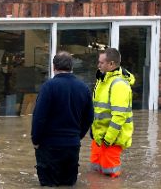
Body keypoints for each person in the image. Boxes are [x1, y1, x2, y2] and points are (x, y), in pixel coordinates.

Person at [31, 51, 94, 187]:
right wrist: (78, 135)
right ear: (71, 67)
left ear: (54, 67)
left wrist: (35, 139)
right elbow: (89, 117)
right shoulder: (84, 88)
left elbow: (39, 117)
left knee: (49, 184)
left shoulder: (48, 87)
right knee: (68, 184)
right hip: (72, 145)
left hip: (49, 146)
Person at [90, 47, 135, 178]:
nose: (98, 65)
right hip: (99, 136)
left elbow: (119, 116)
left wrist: (108, 139)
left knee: (110, 176)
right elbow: (98, 108)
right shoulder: (103, 79)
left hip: (110, 139)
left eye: (101, 62)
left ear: (111, 64)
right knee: (96, 173)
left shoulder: (118, 84)